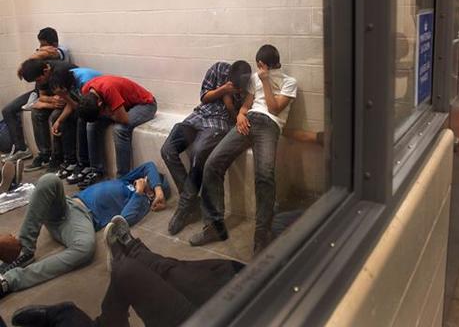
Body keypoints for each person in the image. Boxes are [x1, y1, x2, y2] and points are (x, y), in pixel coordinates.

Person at [10, 215, 244, 327]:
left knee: (127, 272)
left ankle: (81, 318)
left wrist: (148, 191)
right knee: (171, 269)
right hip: (241, 293)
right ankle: (135, 250)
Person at [0, 162, 167, 298]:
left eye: (150, 182)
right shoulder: (128, 181)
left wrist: (140, 193)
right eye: (147, 179)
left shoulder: (140, 201)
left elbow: (124, 219)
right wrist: (157, 188)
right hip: (67, 204)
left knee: (85, 248)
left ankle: (10, 280)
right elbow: (149, 165)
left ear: (151, 195)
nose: (144, 179)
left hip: (82, 220)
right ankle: (24, 250)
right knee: (49, 180)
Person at [191, 44, 297, 253]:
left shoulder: (290, 82)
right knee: (213, 163)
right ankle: (214, 226)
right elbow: (247, 104)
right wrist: (240, 114)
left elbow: (275, 107)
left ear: (262, 64)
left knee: (264, 175)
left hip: (270, 125)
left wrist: (266, 80)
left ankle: (261, 234)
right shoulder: (255, 80)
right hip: (248, 121)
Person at [161, 60, 251, 235]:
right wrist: (223, 90)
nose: (235, 87)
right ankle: (191, 201)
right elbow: (204, 97)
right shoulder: (218, 69)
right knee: (167, 150)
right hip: (198, 116)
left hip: (218, 124)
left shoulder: (247, 88)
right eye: (233, 84)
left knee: (198, 153)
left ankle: (184, 207)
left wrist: (230, 104)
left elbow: (236, 120)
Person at [1, 28, 70, 164]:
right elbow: (41, 95)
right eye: (39, 45)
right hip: (41, 93)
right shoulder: (42, 59)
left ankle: (54, 157)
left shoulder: (60, 52)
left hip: (57, 92)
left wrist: (24, 64)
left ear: (54, 44)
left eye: (43, 45)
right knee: (8, 110)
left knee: (44, 114)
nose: (40, 48)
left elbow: (50, 53)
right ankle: (22, 149)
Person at [78, 75, 157, 188]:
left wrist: (107, 113)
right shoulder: (86, 90)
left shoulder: (108, 90)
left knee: (119, 129)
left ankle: (123, 178)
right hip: (123, 107)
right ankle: (97, 172)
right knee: (92, 125)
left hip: (145, 104)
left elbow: (124, 119)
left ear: (100, 104)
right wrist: (107, 113)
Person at [17, 60, 77, 173]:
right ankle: (44, 154)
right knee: (36, 112)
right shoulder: (40, 73)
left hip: (69, 101)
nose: (38, 82)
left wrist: (51, 102)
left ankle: (58, 156)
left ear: (46, 71)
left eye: (38, 80)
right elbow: (42, 96)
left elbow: (68, 99)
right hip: (57, 101)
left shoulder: (60, 71)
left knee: (55, 116)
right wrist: (50, 101)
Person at [47, 65, 103, 180]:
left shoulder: (84, 81)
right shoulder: (63, 80)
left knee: (81, 120)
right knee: (62, 119)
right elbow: (72, 105)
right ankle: (71, 160)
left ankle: (85, 163)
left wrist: (65, 96)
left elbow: (84, 109)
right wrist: (58, 121)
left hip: (97, 106)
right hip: (84, 104)